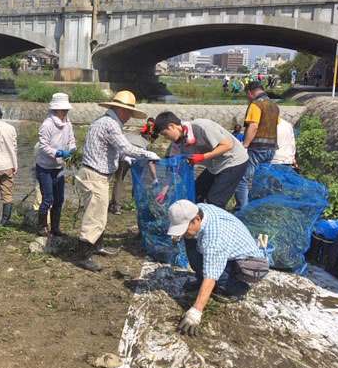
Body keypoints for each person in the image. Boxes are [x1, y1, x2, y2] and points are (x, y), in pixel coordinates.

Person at [75, 90, 160, 272]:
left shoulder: (105, 121)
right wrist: (147, 154)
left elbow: (114, 148)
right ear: (121, 110)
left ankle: (97, 246)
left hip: (96, 174)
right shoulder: (110, 124)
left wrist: (124, 157)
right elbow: (125, 147)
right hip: (95, 175)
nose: (130, 116)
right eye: (129, 113)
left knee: (100, 215)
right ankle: (83, 255)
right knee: (94, 217)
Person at [167, 200, 268, 336]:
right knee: (190, 238)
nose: (183, 233)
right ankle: (201, 279)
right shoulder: (198, 209)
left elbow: (211, 275)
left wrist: (196, 312)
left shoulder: (215, 238)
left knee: (217, 279)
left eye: (184, 228)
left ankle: (237, 288)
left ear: (196, 220)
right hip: (228, 251)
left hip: (247, 264)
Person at [154, 112, 248, 210]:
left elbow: (227, 145)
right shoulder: (177, 144)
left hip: (234, 160)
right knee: (196, 194)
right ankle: (199, 221)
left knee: (215, 201)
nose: (166, 138)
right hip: (215, 165)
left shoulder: (202, 126)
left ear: (172, 126)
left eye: (165, 134)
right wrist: (163, 191)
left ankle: (218, 221)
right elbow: (174, 169)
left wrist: (202, 157)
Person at [234, 81, 279, 210]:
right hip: (271, 148)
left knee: (243, 178)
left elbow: (253, 126)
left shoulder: (255, 104)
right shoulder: (274, 105)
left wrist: (245, 145)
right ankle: (258, 207)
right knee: (261, 177)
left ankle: (242, 209)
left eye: (247, 96)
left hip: (257, 148)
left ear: (250, 92)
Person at [35, 93, 76, 236]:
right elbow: (43, 146)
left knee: (59, 199)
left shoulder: (68, 124)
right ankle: (41, 227)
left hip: (59, 168)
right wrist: (57, 153)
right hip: (45, 168)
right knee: (48, 199)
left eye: (66, 110)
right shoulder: (47, 125)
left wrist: (71, 150)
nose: (65, 112)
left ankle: (55, 228)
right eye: (63, 110)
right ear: (55, 110)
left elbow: (71, 140)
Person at [109, 133, 153, 215]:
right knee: (137, 180)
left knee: (119, 180)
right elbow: (147, 156)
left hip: (124, 156)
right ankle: (136, 202)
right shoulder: (145, 142)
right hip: (137, 156)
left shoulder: (126, 136)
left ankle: (116, 206)